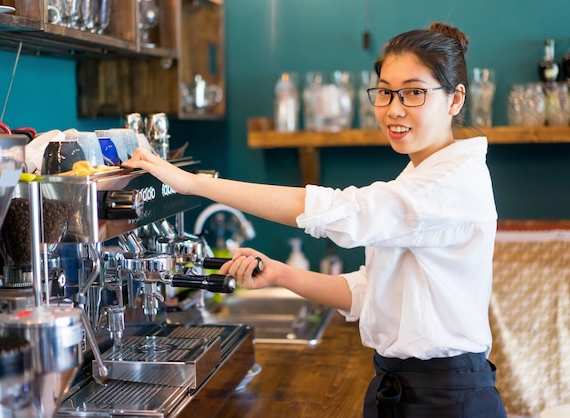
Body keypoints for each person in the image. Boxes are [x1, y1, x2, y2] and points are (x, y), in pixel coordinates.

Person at [123, 21, 507, 418]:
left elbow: (343, 214)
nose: (394, 109)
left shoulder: (450, 183)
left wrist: (195, 185)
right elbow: (372, 291)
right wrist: (281, 275)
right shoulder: (420, 177)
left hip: (447, 401)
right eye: (386, 92)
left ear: (455, 99)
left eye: (413, 92)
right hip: (409, 391)